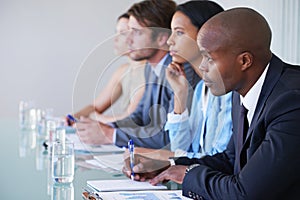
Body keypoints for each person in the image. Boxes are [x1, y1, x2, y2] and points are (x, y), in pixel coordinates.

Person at [124, 7, 300, 199]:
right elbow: (230, 160)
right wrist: (169, 166)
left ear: (244, 61)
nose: (202, 66)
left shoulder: (291, 101)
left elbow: (246, 193)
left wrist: (189, 175)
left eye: (209, 58)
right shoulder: (243, 86)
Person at [75, 0, 201, 148]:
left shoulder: (182, 72)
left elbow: (169, 137)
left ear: (161, 39)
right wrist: (104, 126)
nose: (128, 40)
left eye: (136, 32)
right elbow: (138, 117)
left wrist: (110, 135)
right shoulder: (151, 68)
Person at [125, 0, 232, 161]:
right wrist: (179, 95)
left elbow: (219, 160)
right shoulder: (200, 88)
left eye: (179, 32)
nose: (170, 41)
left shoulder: (228, 91)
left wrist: (164, 156)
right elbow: (182, 148)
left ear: (207, 34)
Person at [69, 13, 146, 124]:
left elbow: (129, 118)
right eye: (116, 32)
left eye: (122, 33)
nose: (115, 39)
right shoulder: (123, 71)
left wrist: (97, 118)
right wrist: (71, 118)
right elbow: (95, 107)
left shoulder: (149, 72)